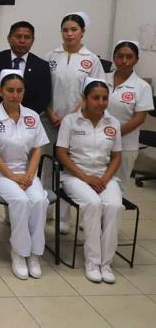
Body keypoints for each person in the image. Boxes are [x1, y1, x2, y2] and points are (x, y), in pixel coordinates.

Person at [0, 70, 50, 280]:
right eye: (9, 90)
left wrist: (29, 174)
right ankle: (19, 253)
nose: (14, 95)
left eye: (19, 91)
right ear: (0, 91)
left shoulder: (32, 116)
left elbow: (37, 149)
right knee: (20, 201)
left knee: (38, 200)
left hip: (26, 172)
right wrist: (12, 176)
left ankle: (34, 254)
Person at [0, 21, 51, 226]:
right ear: (9, 37)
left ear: (32, 40)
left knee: (32, 195)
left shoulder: (41, 66)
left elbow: (44, 97)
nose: (21, 41)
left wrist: (24, 117)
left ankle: (19, 222)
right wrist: (1, 114)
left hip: (26, 123)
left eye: (26, 37)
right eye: (17, 36)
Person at [56, 78, 123, 283]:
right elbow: (61, 153)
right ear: (84, 99)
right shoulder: (70, 121)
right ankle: (93, 262)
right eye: (95, 98)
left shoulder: (113, 123)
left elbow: (117, 156)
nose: (100, 102)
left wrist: (104, 178)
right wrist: (85, 177)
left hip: (104, 176)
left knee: (114, 206)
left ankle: (106, 263)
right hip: (75, 176)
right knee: (93, 204)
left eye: (104, 98)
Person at [46, 12, 104, 233]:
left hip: (78, 121)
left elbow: (94, 92)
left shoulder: (92, 59)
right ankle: (47, 210)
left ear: (82, 32)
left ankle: (64, 217)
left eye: (74, 30)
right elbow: (45, 89)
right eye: (65, 30)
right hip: (50, 119)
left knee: (71, 169)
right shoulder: (52, 55)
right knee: (48, 165)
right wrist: (51, 113)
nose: (69, 34)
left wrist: (71, 116)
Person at [105, 40, 153, 194]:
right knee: (97, 186)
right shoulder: (102, 79)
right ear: (114, 58)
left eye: (129, 57)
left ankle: (113, 218)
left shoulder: (142, 86)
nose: (124, 61)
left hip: (125, 145)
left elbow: (139, 118)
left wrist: (114, 134)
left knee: (118, 189)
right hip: (97, 142)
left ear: (136, 60)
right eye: (120, 56)